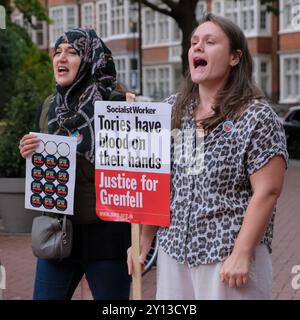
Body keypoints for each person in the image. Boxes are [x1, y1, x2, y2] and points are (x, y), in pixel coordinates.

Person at [128, 13, 288, 300]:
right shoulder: (171, 110)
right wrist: (144, 238)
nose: (197, 48)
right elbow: (156, 178)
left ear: (234, 57)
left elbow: (268, 190)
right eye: (194, 42)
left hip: (227, 256)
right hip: (174, 250)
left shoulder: (255, 116)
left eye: (210, 42)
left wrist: (242, 252)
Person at [19, 28, 131, 300]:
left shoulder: (118, 104)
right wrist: (29, 153)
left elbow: (136, 169)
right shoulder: (49, 107)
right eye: (58, 52)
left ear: (91, 58)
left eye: (72, 52)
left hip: (107, 238)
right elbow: (43, 172)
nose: (61, 58)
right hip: (58, 234)